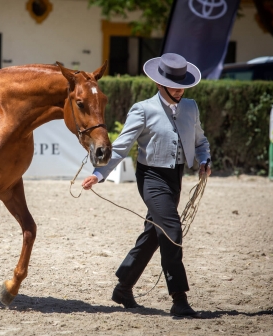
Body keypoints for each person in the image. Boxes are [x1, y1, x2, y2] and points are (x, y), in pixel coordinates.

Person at [82, 53, 211, 318]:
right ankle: (179, 299)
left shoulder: (191, 108)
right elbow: (120, 147)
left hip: (175, 177)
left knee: (154, 233)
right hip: (151, 178)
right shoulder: (143, 109)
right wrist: (99, 173)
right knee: (172, 230)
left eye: (182, 85)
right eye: (173, 84)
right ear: (159, 84)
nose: (179, 89)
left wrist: (204, 159)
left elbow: (200, 141)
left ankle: (123, 287)